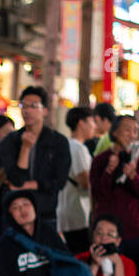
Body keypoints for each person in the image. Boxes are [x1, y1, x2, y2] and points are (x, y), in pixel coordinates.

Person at [0, 87, 71, 251]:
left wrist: (27, 186)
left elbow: (59, 182)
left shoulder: (58, 142)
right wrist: (25, 148)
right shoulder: (9, 142)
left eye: (33, 106)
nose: (27, 111)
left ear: (45, 110)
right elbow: (16, 179)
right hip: (15, 216)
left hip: (45, 214)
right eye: (24, 106)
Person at [88, 114, 139, 265]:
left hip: (133, 229)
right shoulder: (100, 160)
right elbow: (98, 193)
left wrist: (132, 175)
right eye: (127, 130)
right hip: (106, 232)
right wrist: (109, 170)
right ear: (115, 132)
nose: (132, 135)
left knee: (135, 271)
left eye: (135, 131)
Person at [57, 107, 94, 254]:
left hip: (67, 213)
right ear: (81, 123)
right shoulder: (78, 148)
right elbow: (85, 182)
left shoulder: (66, 145)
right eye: (91, 122)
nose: (94, 126)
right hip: (78, 214)